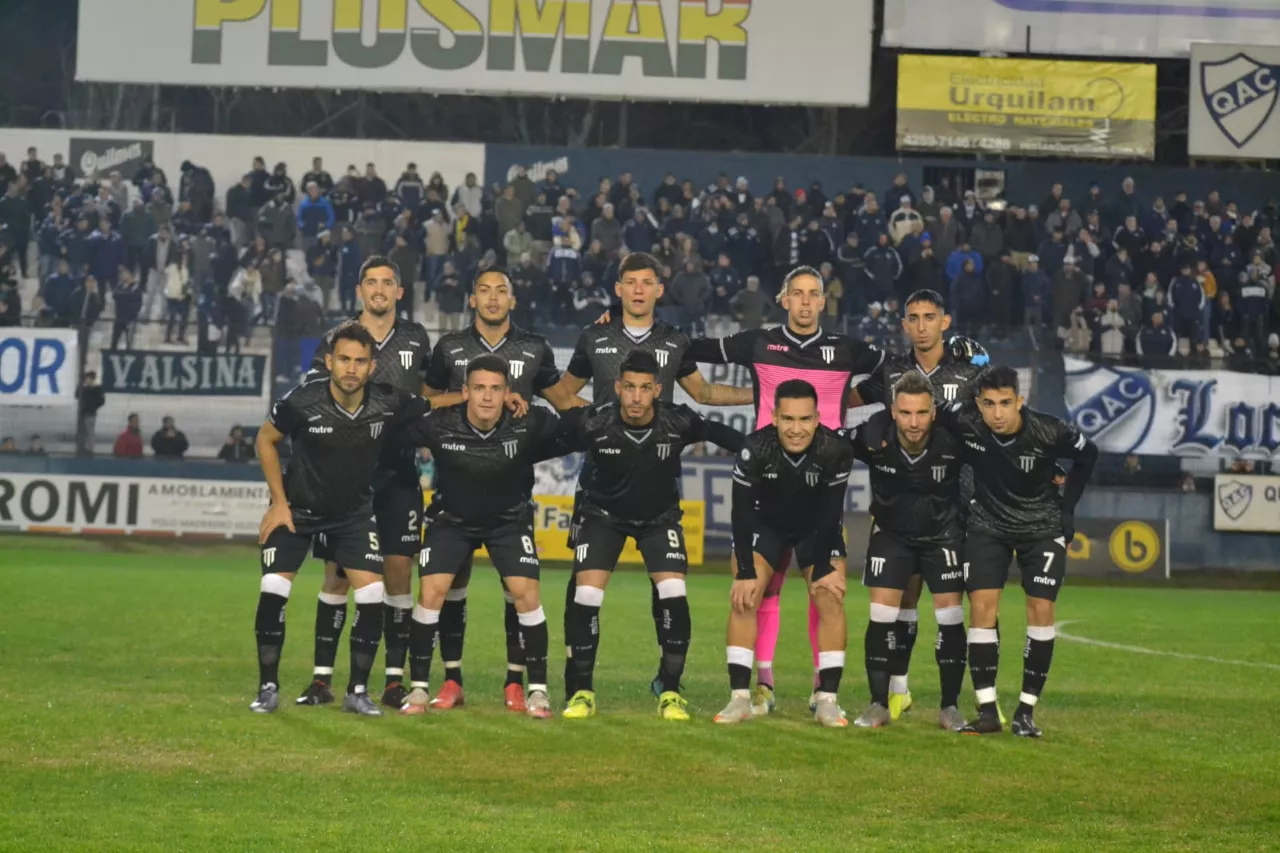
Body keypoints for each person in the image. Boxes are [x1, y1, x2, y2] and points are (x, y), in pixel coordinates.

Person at [543, 251, 752, 702]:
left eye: (647, 282)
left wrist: (760, 398)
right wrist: (597, 424)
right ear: (618, 289)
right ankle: (576, 680)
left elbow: (705, 392)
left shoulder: (675, 340)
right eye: (630, 282)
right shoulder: (594, 337)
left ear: (660, 289)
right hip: (601, 479)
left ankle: (668, 676)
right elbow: (562, 394)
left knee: (668, 585)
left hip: (655, 476)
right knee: (582, 583)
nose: (638, 290)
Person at [682, 265, 886, 716]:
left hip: (822, 489)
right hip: (766, 486)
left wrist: (854, 410)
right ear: (784, 299)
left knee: (827, 591)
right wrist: (642, 335)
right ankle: (762, 686)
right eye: (799, 293)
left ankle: (822, 692)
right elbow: (686, 348)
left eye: (815, 294)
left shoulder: (845, 350)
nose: (808, 301)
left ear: (822, 302)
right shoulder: (759, 342)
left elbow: (891, 374)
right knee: (756, 592)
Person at [419, 268, 585, 712]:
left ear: (513, 300)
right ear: (472, 299)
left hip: (511, 484)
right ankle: (451, 680)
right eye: (484, 292)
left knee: (518, 589)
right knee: (452, 584)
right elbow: (425, 402)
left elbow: (565, 401)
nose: (493, 299)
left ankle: (516, 681)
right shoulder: (450, 347)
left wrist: (613, 413)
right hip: (457, 483)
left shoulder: (534, 348)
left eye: (502, 292)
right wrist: (468, 398)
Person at [250, 321, 431, 715]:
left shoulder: (389, 400)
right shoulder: (302, 400)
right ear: (330, 361)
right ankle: (267, 686)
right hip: (297, 511)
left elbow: (439, 405)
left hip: (352, 516)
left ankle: (357, 692)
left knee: (371, 593)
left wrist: (486, 397)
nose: (351, 368)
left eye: (360, 361)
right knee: (273, 587)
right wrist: (278, 502)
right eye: (344, 360)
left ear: (372, 366)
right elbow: (265, 439)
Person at [554, 351, 746, 721]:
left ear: (657, 390)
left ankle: (669, 690)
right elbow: (545, 437)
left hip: (659, 519)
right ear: (617, 388)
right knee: (587, 593)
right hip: (602, 515)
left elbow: (721, 433)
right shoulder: (594, 422)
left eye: (645, 389)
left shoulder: (677, 421)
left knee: (673, 592)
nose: (637, 397)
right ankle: (581, 690)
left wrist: (760, 449)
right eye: (630, 388)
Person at [397, 355, 567, 720]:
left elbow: (576, 428)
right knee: (431, 593)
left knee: (526, 594)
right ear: (465, 392)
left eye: (495, 389)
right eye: (478, 389)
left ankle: (537, 692)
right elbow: (396, 418)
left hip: (508, 522)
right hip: (451, 521)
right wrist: (441, 401)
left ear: (508, 393)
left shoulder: (529, 421)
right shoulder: (440, 424)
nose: (487, 398)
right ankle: (419, 689)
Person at [298, 256, 434, 711]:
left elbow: (429, 397)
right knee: (337, 578)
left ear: (399, 292)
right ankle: (322, 680)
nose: (379, 289)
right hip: (345, 478)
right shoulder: (337, 339)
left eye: (387, 282)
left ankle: (393, 681)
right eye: (371, 282)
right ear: (360, 291)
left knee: (398, 574)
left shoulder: (416, 338)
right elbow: (317, 395)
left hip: (398, 474)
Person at [847, 289, 988, 720]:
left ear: (944, 321)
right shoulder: (891, 371)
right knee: (901, 600)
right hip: (903, 500)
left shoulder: (968, 371)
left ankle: (984, 700)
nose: (922, 325)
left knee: (976, 604)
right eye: (914, 318)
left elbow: (995, 417)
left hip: (959, 501)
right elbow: (845, 402)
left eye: (930, 317)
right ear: (905, 324)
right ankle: (897, 690)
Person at [938, 366, 1098, 736]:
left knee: (1041, 609)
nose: (997, 413)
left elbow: (1089, 454)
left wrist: (1067, 509)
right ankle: (988, 710)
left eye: (1006, 403)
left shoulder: (1050, 429)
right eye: (989, 404)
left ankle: (1026, 711)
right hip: (987, 525)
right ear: (978, 403)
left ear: (1020, 401)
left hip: (1040, 527)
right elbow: (931, 409)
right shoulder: (967, 421)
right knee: (981, 608)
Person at [715, 380, 854, 727]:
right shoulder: (754, 448)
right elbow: (741, 513)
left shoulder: (835, 449)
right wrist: (745, 570)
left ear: (818, 418)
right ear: (774, 417)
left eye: (805, 419)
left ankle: (827, 700)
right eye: (788, 419)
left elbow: (831, 513)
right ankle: (740, 698)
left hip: (815, 528)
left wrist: (823, 566)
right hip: (765, 526)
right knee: (745, 596)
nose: (796, 429)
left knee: (830, 597)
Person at [845, 373, 967, 730]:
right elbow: (830, 449)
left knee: (950, 618)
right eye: (906, 413)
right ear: (894, 412)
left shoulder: (953, 438)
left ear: (933, 413)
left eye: (921, 413)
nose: (914, 423)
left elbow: (994, 456)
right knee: (882, 613)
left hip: (942, 535)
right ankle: (879, 704)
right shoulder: (872, 435)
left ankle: (949, 707)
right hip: (891, 535)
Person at [75, 371, 106, 456]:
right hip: (84, 413)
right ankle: (84, 448)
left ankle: (89, 449)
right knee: (84, 432)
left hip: (90, 413)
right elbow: (77, 395)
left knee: (89, 432)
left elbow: (101, 401)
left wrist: (93, 406)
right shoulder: (85, 389)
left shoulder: (96, 389)